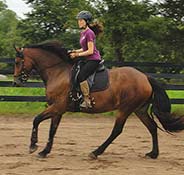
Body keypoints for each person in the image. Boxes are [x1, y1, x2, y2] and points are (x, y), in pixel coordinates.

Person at [70, 10, 103, 108]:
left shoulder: (89, 33)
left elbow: (90, 51)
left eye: (81, 20)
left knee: (81, 75)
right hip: (88, 59)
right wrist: (75, 51)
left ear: (86, 21)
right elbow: (84, 48)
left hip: (94, 59)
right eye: (78, 20)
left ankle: (87, 99)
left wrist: (77, 55)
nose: (79, 22)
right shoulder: (83, 33)